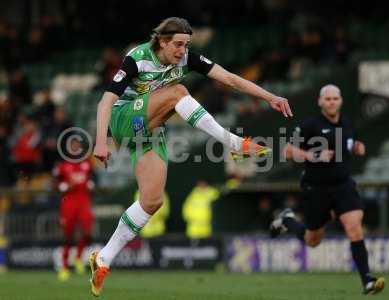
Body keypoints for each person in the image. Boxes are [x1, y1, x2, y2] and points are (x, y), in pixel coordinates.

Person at [89, 17, 292, 297]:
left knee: (152, 201)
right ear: (162, 41)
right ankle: (231, 141)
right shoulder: (137, 58)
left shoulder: (186, 59)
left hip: (150, 129)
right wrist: (101, 141)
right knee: (179, 92)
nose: (183, 51)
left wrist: (270, 97)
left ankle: (103, 259)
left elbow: (230, 79)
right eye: (178, 45)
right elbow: (106, 101)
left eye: (186, 45)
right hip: (124, 119)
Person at [270, 84, 384, 295]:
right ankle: (287, 220)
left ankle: (367, 280)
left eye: (335, 98)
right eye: (328, 99)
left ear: (341, 101)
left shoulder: (347, 124)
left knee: (354, 227)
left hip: (343, 186)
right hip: (316, 188)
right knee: (312, 240)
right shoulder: (310, 125)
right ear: (320, 102)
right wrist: (312, 155)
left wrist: (355, 146)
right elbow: (287, 151)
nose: (331, 102)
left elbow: (344, 145)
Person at [54, 138, 94, 281]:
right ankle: (64, 266)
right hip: (69, 202)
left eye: (77, 146)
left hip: (83, 200)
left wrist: (90, 184)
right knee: (67, 235)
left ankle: (78, 258)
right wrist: (65, 187)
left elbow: (90, 179)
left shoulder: (87, 164)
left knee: (87, 230)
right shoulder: (63, 166)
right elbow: (57, 184)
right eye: (73, 146)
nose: (75, 148)